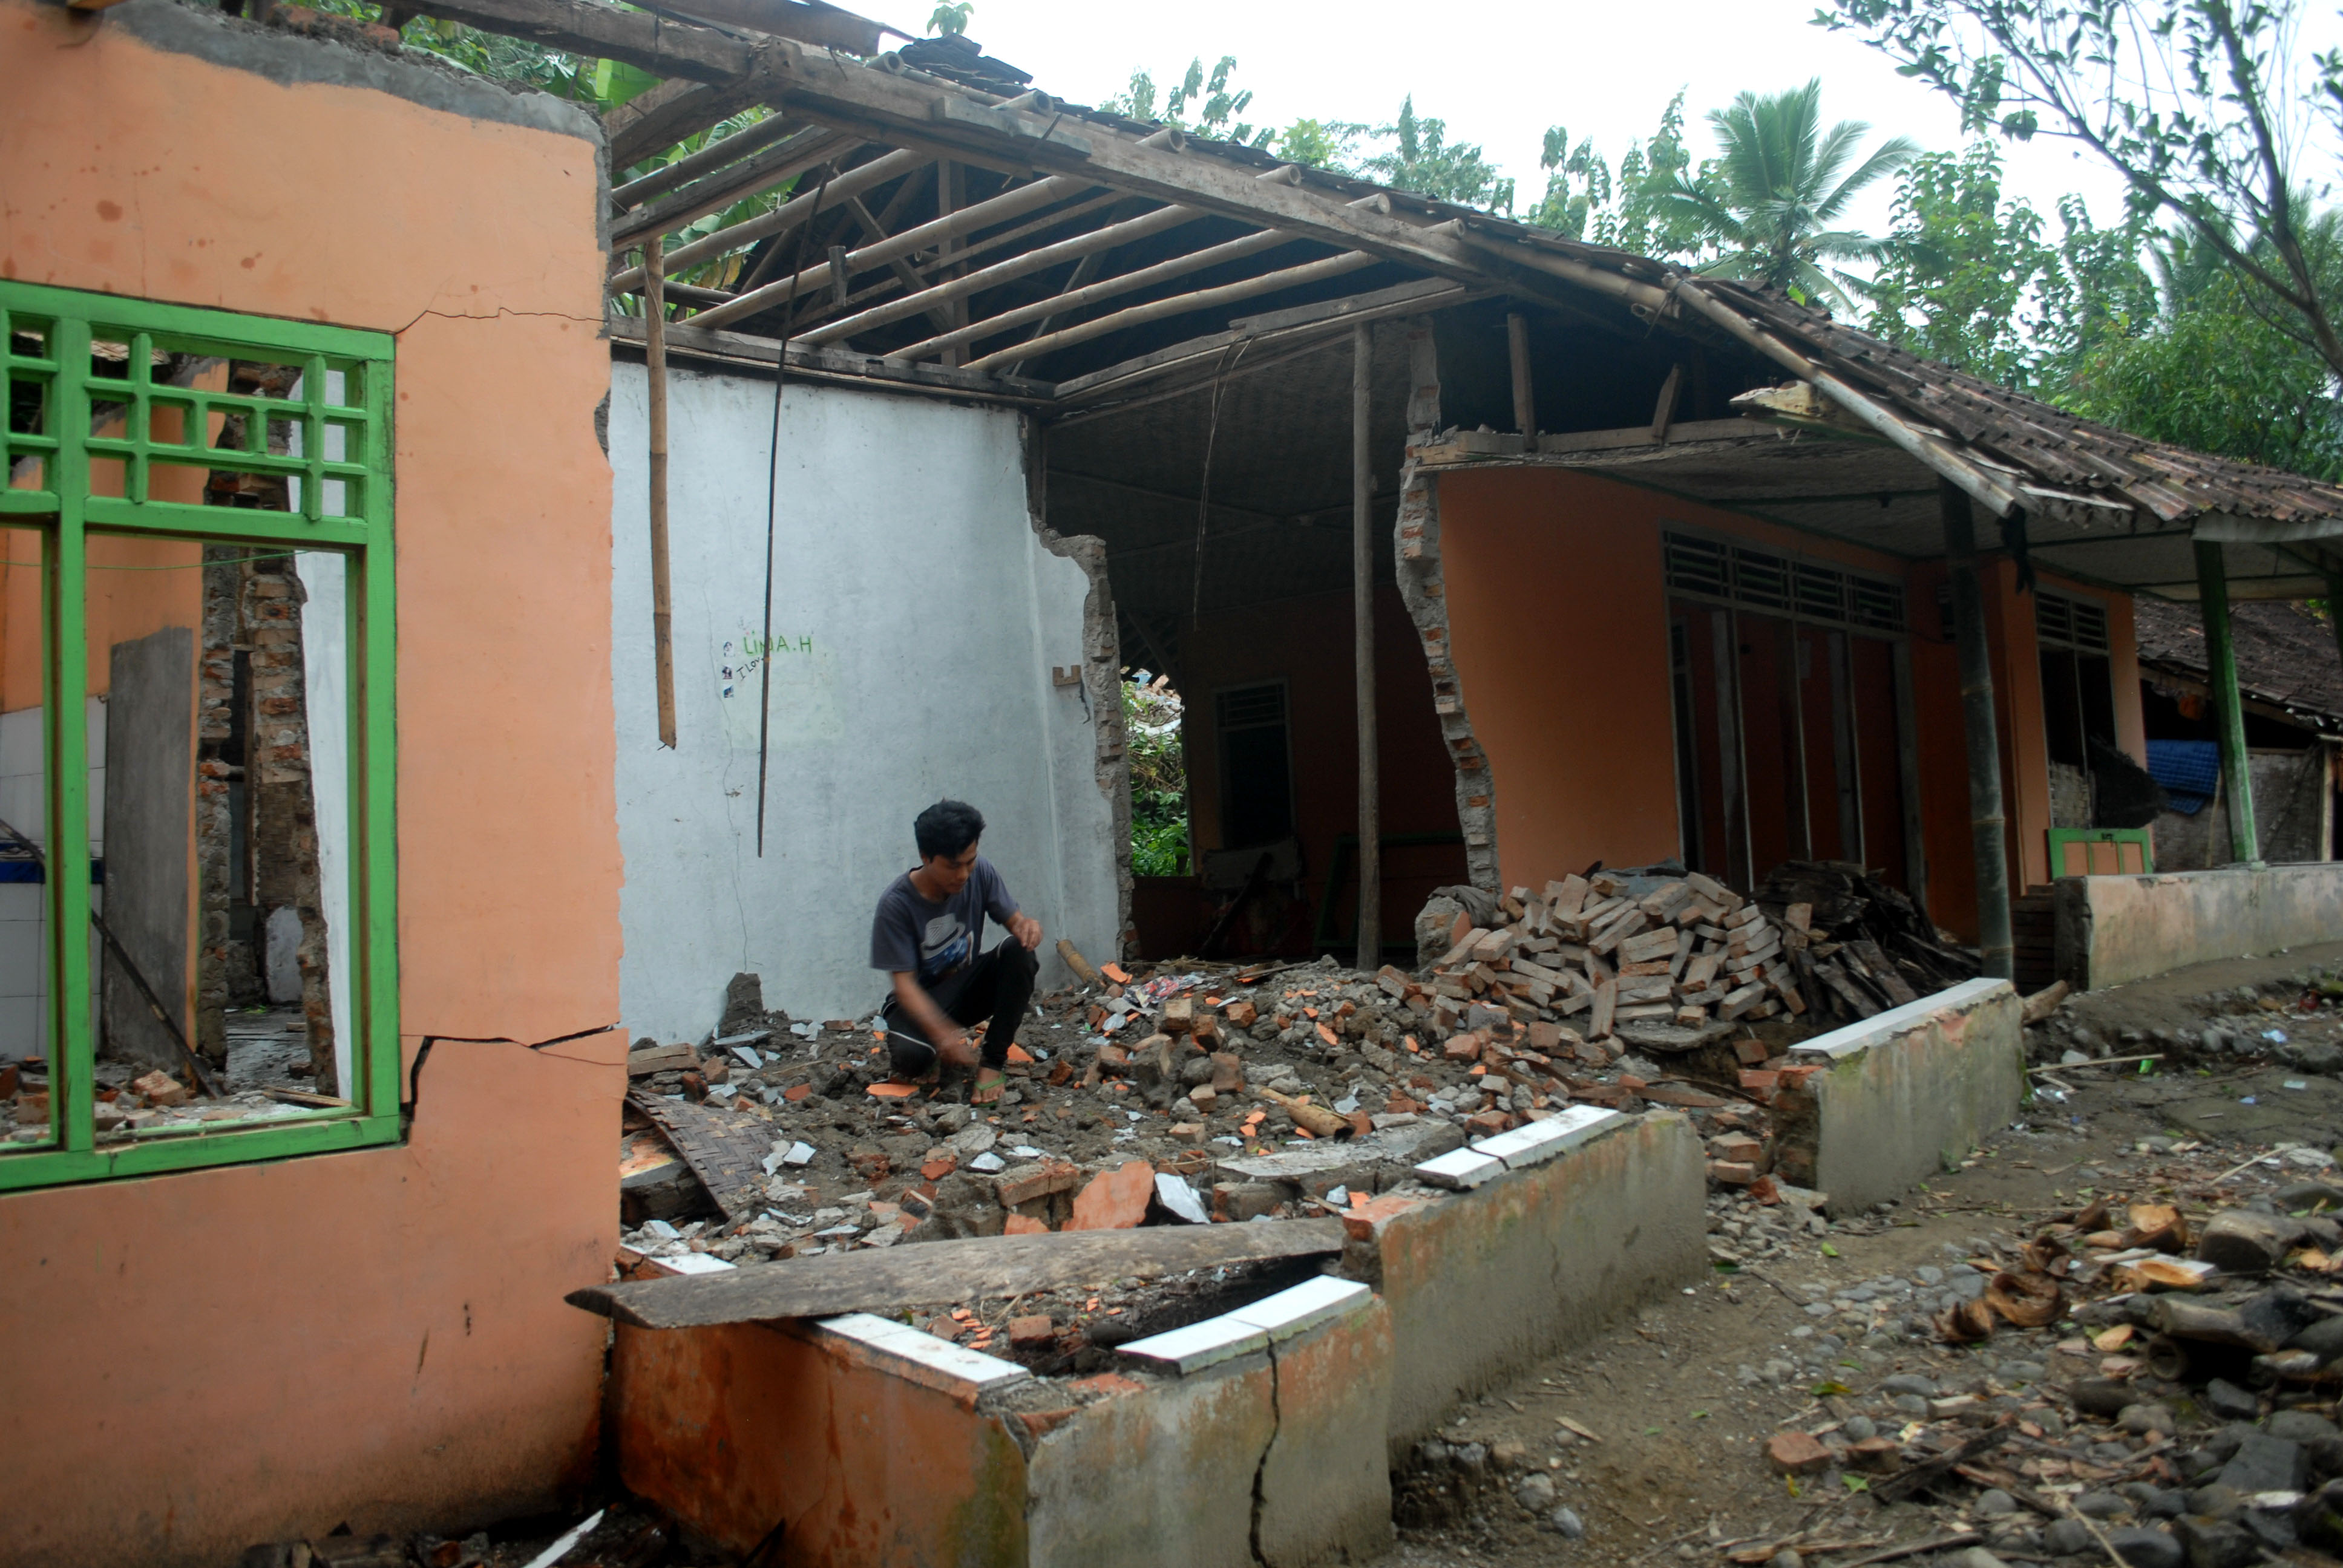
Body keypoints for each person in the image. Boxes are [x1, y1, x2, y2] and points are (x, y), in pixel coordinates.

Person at [870, 799, 1041, 1104]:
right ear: (925, 857)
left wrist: (1028, 927)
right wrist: (942, 1034)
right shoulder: (896, 905)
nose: (963, 875)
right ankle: (931, 1052)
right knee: (912, 1059)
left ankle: (992, 1064)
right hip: (919, 1003)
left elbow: (1015, 923)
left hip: (966, 989)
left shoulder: (981, 872)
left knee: (1020, 952)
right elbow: (904, 986)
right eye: (952, 866)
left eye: (969, 862)